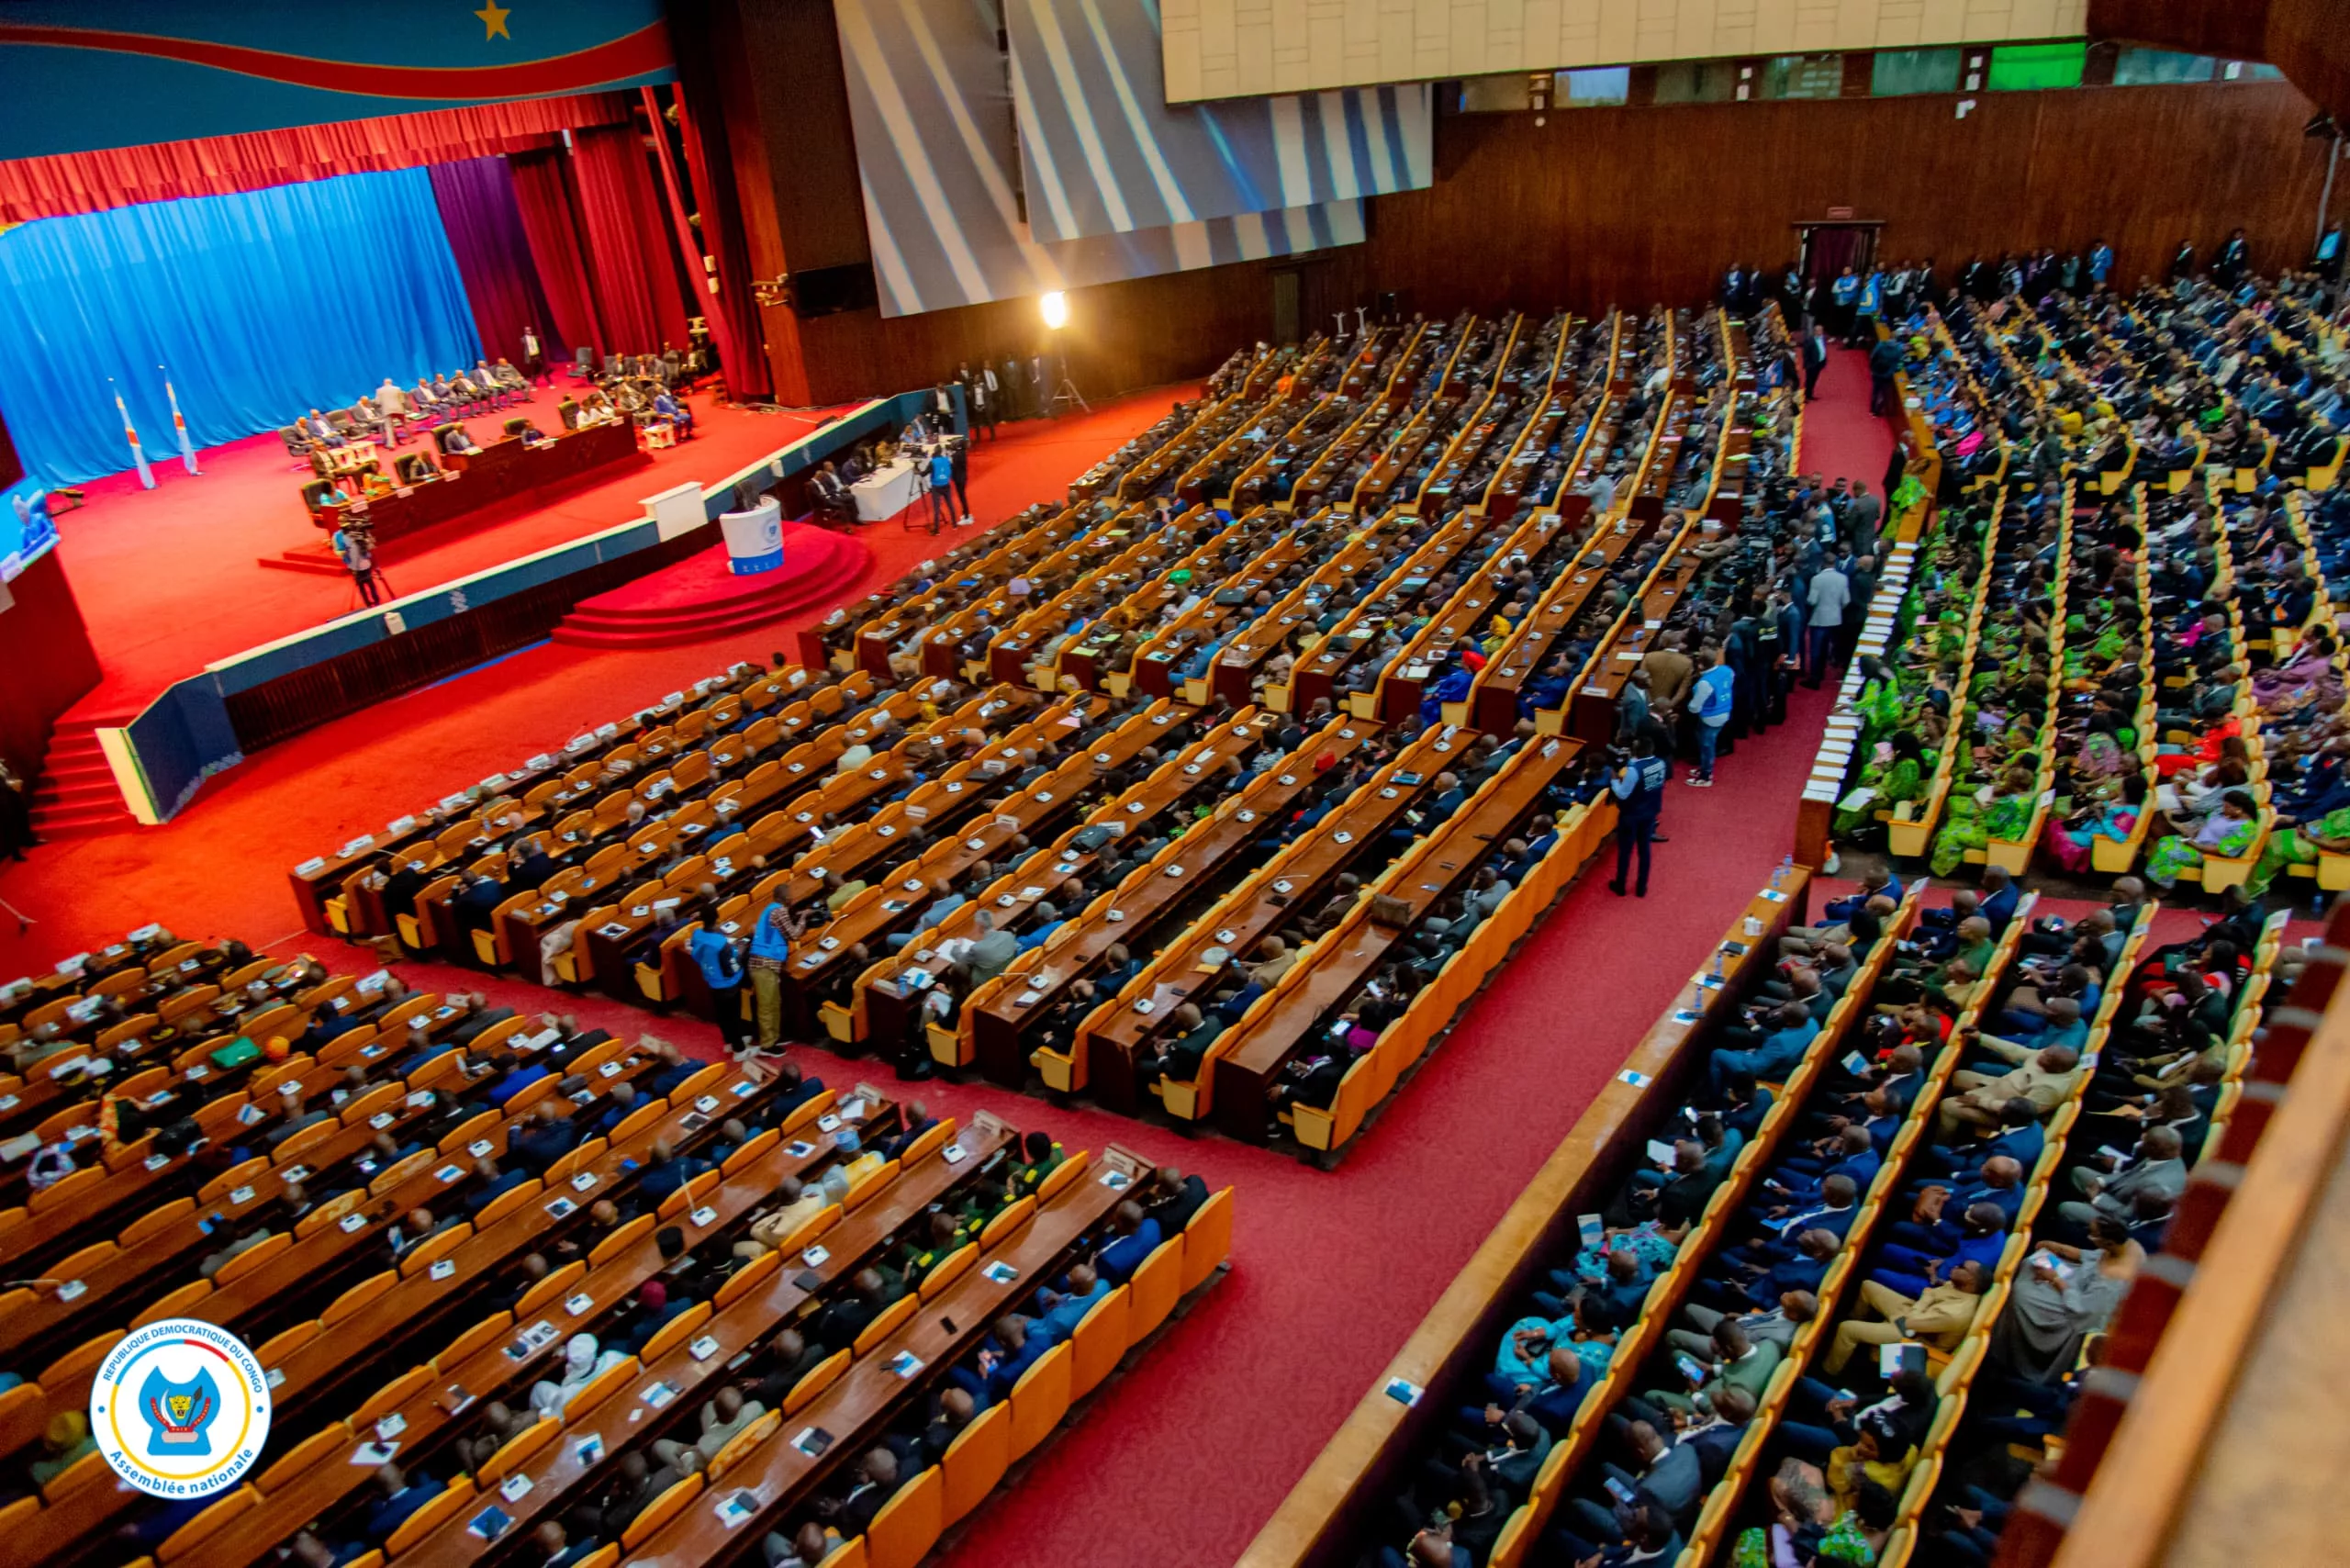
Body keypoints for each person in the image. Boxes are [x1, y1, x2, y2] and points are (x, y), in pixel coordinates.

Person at [1607, 734, 1669, 898]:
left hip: (1631, 815)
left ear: (1635, 751)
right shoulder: (1660, 763)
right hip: (1650, 811)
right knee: (1645, 849)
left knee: (1625, 851)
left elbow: (1622, 794)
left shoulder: (1634, 771)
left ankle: (1620, 884)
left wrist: (1614, 780)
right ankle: (1642, 887)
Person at [1689, 644, 1735, 787]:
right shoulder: (1727, 670)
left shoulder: (1705, 683)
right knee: (1705, 742)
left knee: (1707, 746)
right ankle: (1704, 768)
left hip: (1711, 718)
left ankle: (1705, 777)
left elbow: (1694, 707)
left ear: (1701, 665)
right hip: (1725, 710)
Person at [332, 521, 384, 607]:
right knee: (361, 586)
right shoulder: (337, 536)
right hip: (353, 564)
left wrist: (366, 541)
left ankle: (376, 600)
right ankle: (367, 603)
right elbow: (338, 550)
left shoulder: (358, 533)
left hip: (364, 561)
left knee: (370, 583)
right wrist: (343, 552)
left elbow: (369, 545)